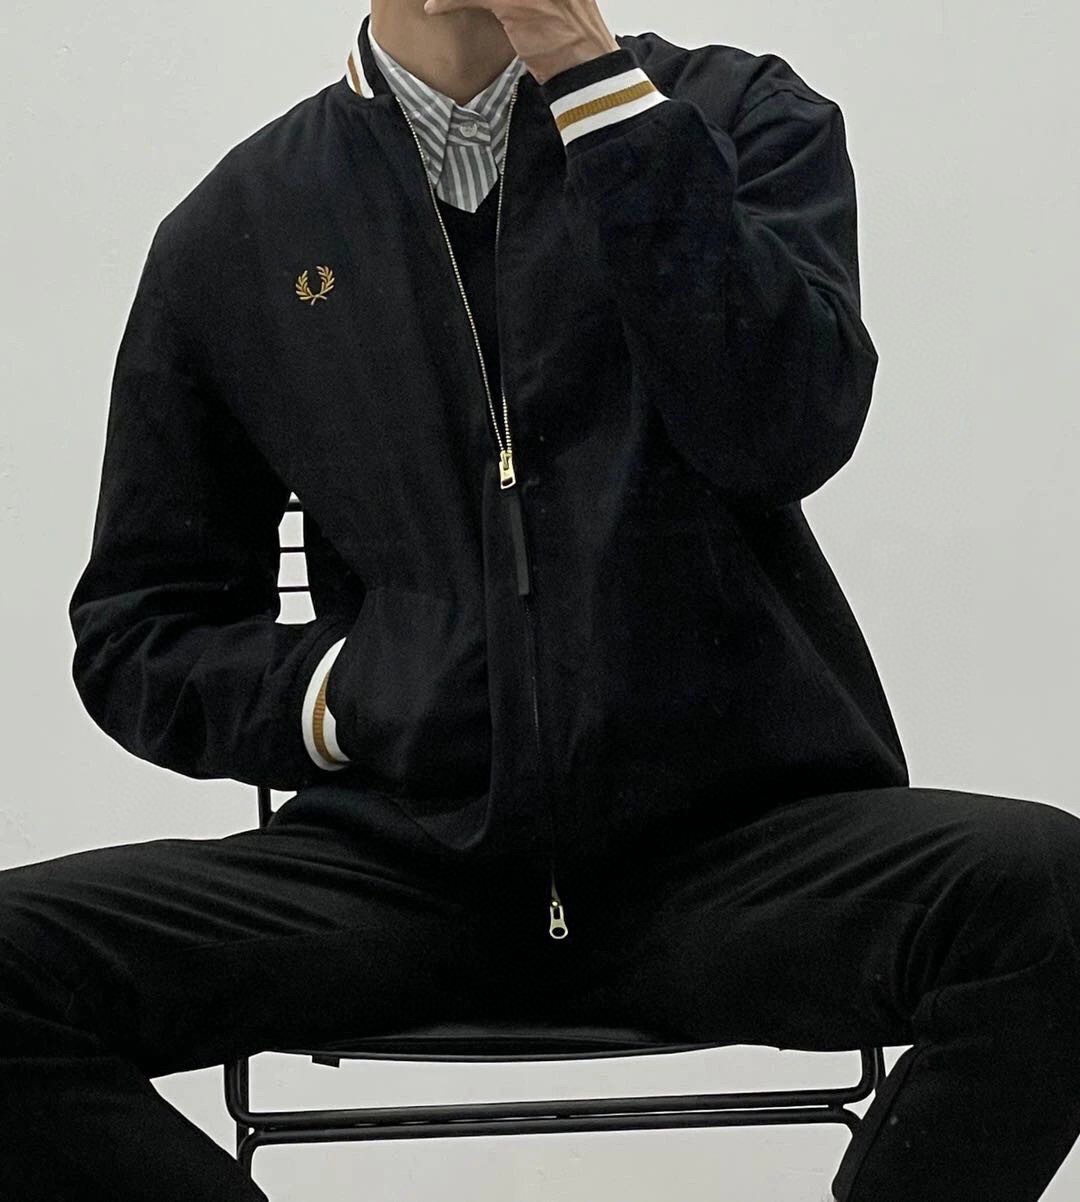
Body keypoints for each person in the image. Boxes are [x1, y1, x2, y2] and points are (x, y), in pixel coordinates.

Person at [4, 3, 1078, 1199]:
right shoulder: (237, 227)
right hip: (405, 869)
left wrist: (592, 87)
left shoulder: (738, 119)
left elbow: (785, 432)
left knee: (1052, 900)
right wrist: (348, 691)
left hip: (730, 858)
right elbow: (140, 630)